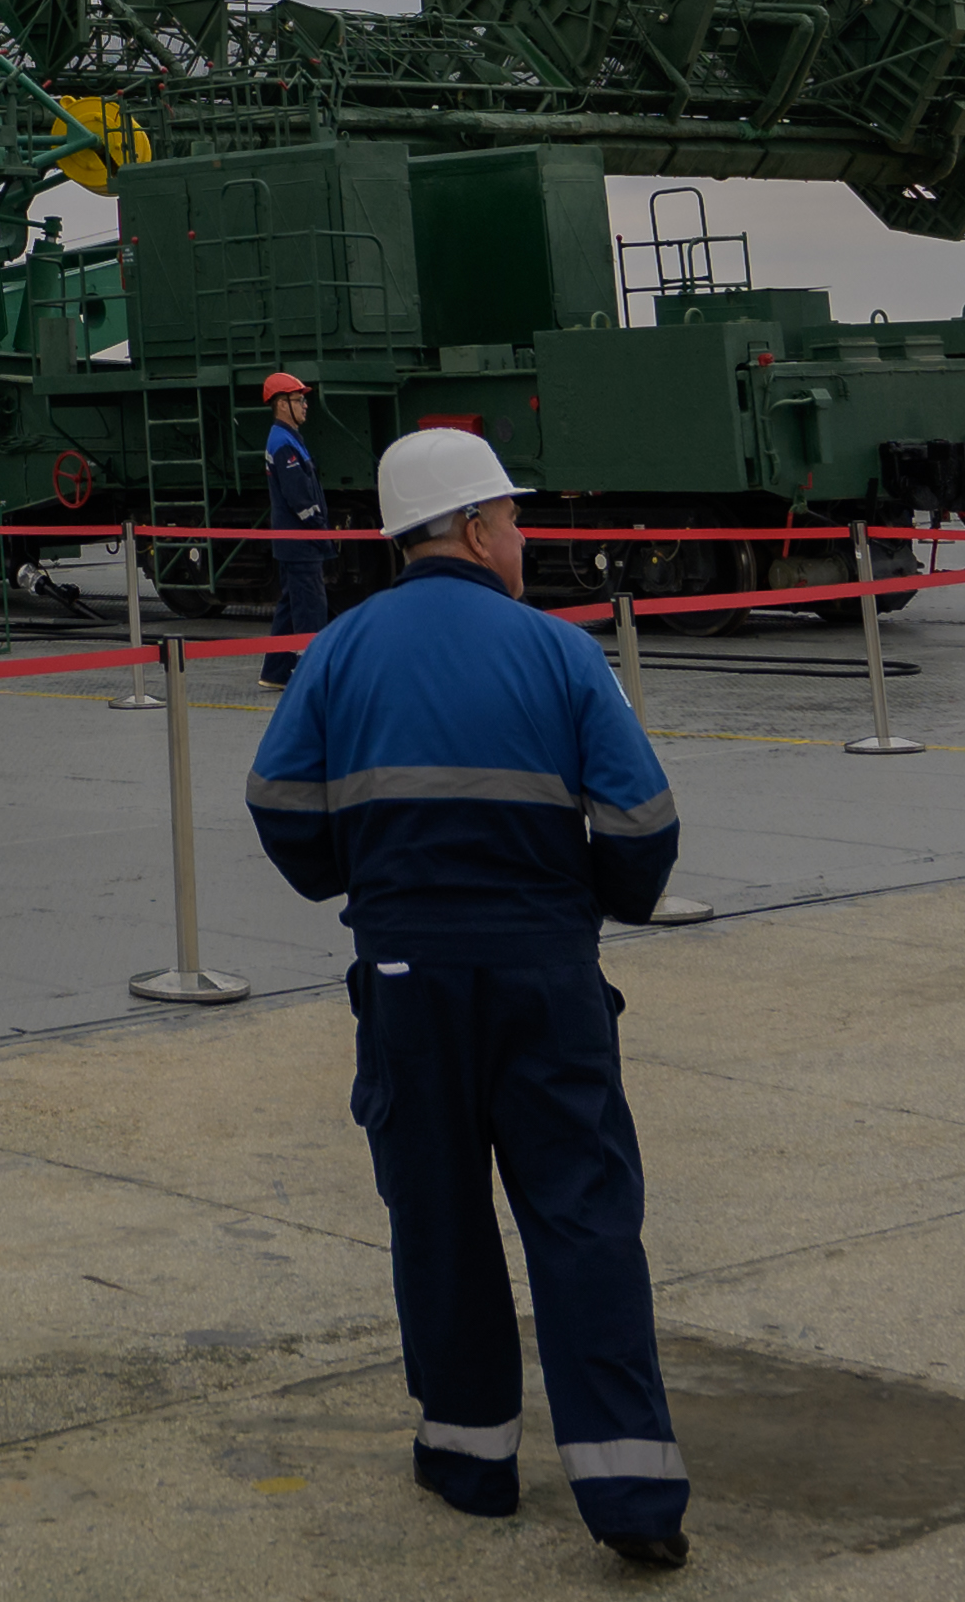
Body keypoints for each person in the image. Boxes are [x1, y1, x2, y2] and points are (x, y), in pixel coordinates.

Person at [243, 422, 693, 1565]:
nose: (523, 534)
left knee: (437, 1218)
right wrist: (587, 900)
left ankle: (471, 1457)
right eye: (517, 517)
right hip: (546, 969)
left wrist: (370, 880)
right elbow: (645, 824)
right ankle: (633, 1496)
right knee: (584, 1216)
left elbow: (281, 805)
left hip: (405, 974)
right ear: (480, 526)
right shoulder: (559, 651)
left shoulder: (339, 649)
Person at [255, 372, 333, 686]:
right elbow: (299, 496)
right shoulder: (284, 443)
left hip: (293, 541)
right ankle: (310, 676)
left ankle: (275, 672)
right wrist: (320, 528)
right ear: (282, 404)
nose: (305, 406)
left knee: (290, 606)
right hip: (301, 541)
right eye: (299, 400)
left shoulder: (285, 438)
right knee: (311, 607)